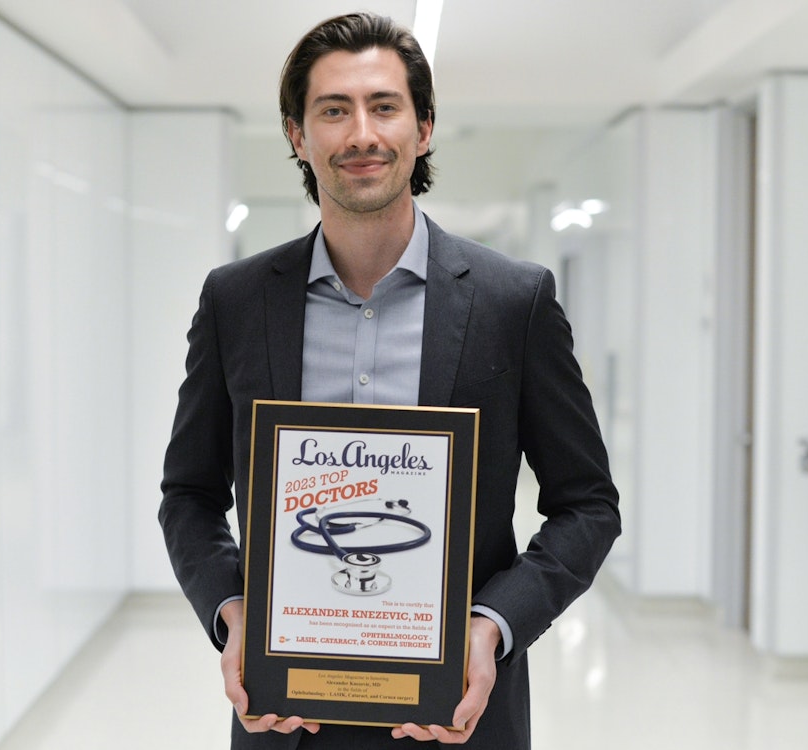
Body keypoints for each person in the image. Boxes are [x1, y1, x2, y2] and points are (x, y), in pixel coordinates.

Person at [159, 11, 620, 749]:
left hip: (460, 716)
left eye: (384, 106)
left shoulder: (512, 301)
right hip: (284, 716)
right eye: (333, 110)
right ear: (295, 134)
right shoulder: (236, 300)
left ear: (424, 127)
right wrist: (233, 611)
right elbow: (188, 493)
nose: (361, 134)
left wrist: (491, 627)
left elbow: (588, 507)